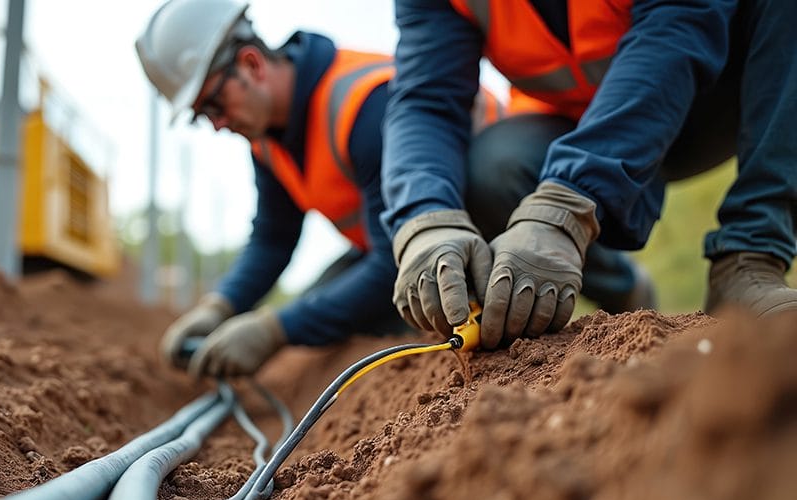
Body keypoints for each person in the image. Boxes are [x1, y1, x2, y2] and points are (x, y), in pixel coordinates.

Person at [382, 0, 797, 350]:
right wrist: (424, 219)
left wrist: (566, 202)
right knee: (492, 168)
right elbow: (426, 100)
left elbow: (678, 23)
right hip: (578, 126)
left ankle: (750, 259)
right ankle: (622, 289)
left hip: (709, 95)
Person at [135, 0, 504, 378]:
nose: (217, 124)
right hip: (400, 247)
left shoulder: (363, 106)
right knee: (320, 301)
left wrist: (276, 330)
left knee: (331, 313)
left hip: (493, 207)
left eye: (215, 104)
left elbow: (393, 265)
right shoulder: (266, 141)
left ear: (252, 64)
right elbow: (272, 239)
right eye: (204, 116)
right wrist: (220, 306)